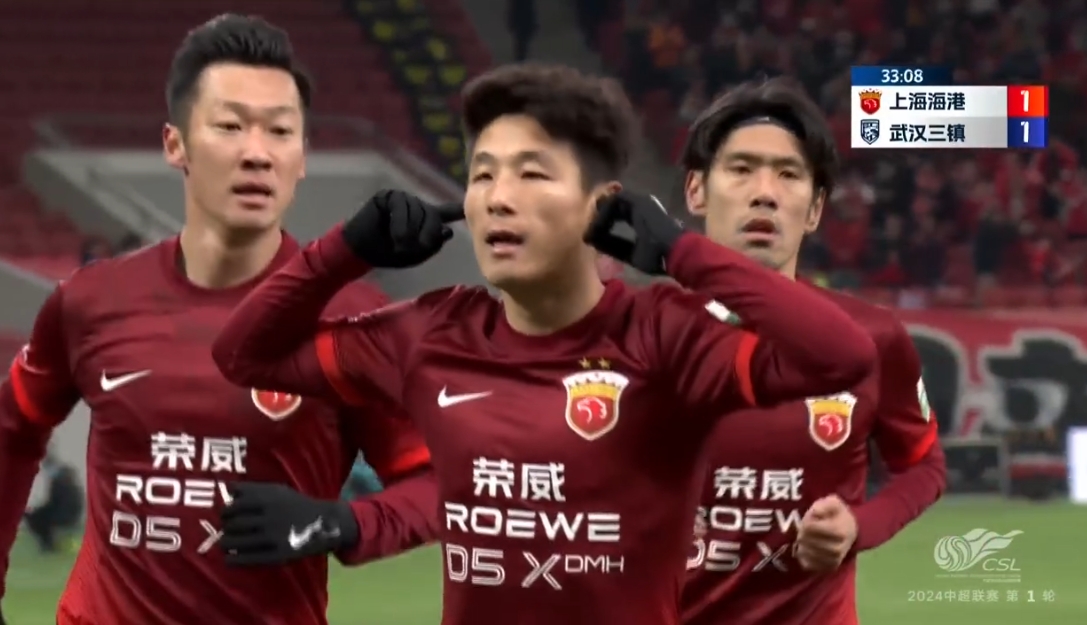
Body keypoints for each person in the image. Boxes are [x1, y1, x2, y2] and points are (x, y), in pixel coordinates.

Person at [211, 62, 878, 624]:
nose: (499, 198)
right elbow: (243, 354)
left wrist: (684, 253)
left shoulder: (664, 336)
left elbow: (839, 356)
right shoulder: (428, 333)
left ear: (601, 205)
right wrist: (344, 251)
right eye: (483, 175)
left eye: (532, 174)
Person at [0, 14, 438, 625]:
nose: (257, 153)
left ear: (302, 157)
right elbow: (12, 430)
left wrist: (340, 522)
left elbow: (442, 485)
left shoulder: (353, 320)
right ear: (175, 144)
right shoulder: (90, 302)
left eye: (281, 131)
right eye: (230, 126)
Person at [678, 78, 947, 625]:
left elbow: (924, 465)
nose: (765, 192)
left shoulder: (873, 336)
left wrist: (858, 527)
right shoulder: (637, 334)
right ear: (697, 191)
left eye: (788, 174)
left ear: (816, 208)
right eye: (741, 169)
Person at [23, 454, 84, 553]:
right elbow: (54, 503)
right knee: (35, 516)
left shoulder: (60, 482)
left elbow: (54, 503)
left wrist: (36, 511)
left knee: (36, 519)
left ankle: (48, 545)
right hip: (69, 513)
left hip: (66, 515)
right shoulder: (65, 478)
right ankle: (48, 544)